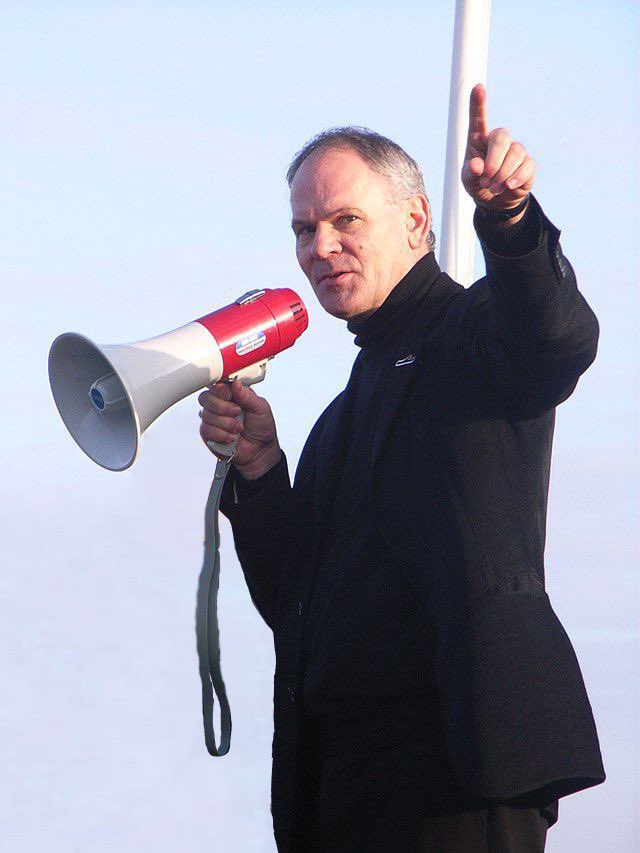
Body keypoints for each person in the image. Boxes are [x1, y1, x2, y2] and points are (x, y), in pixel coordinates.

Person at [198, 84, 605, 852]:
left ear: (416, 220)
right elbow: (296, 604)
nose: (320, 246)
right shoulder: (339, 417)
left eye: (345, 220)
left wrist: (510, 222)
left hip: (457, 774)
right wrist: (260, 470)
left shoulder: (472, 331)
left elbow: (556, 339)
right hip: (340, 785)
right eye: (304, 229)